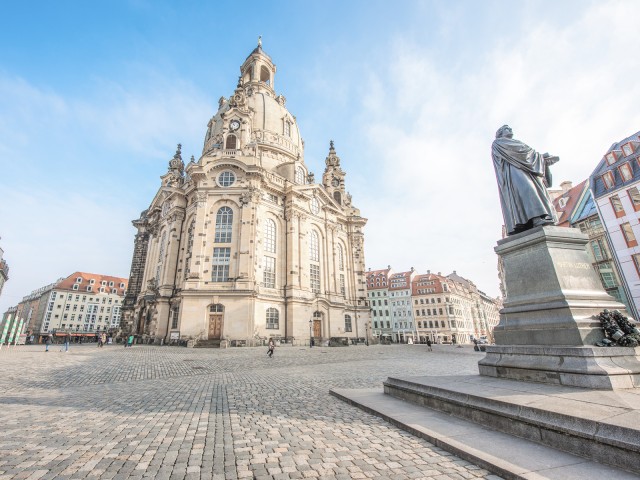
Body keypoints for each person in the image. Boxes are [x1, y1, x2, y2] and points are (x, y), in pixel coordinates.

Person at [491, 125, 559, 236]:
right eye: (507, 128)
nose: (511, 129)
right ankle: (536, 218)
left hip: (524, 170)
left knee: (534, 192)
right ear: (500, 133)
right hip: (514, 172)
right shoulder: (498, 143)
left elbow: (526, 154)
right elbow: (521, 153)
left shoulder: (514, 142)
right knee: (527, 191)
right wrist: (540, 157)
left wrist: (541, 158)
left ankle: (534, 220)